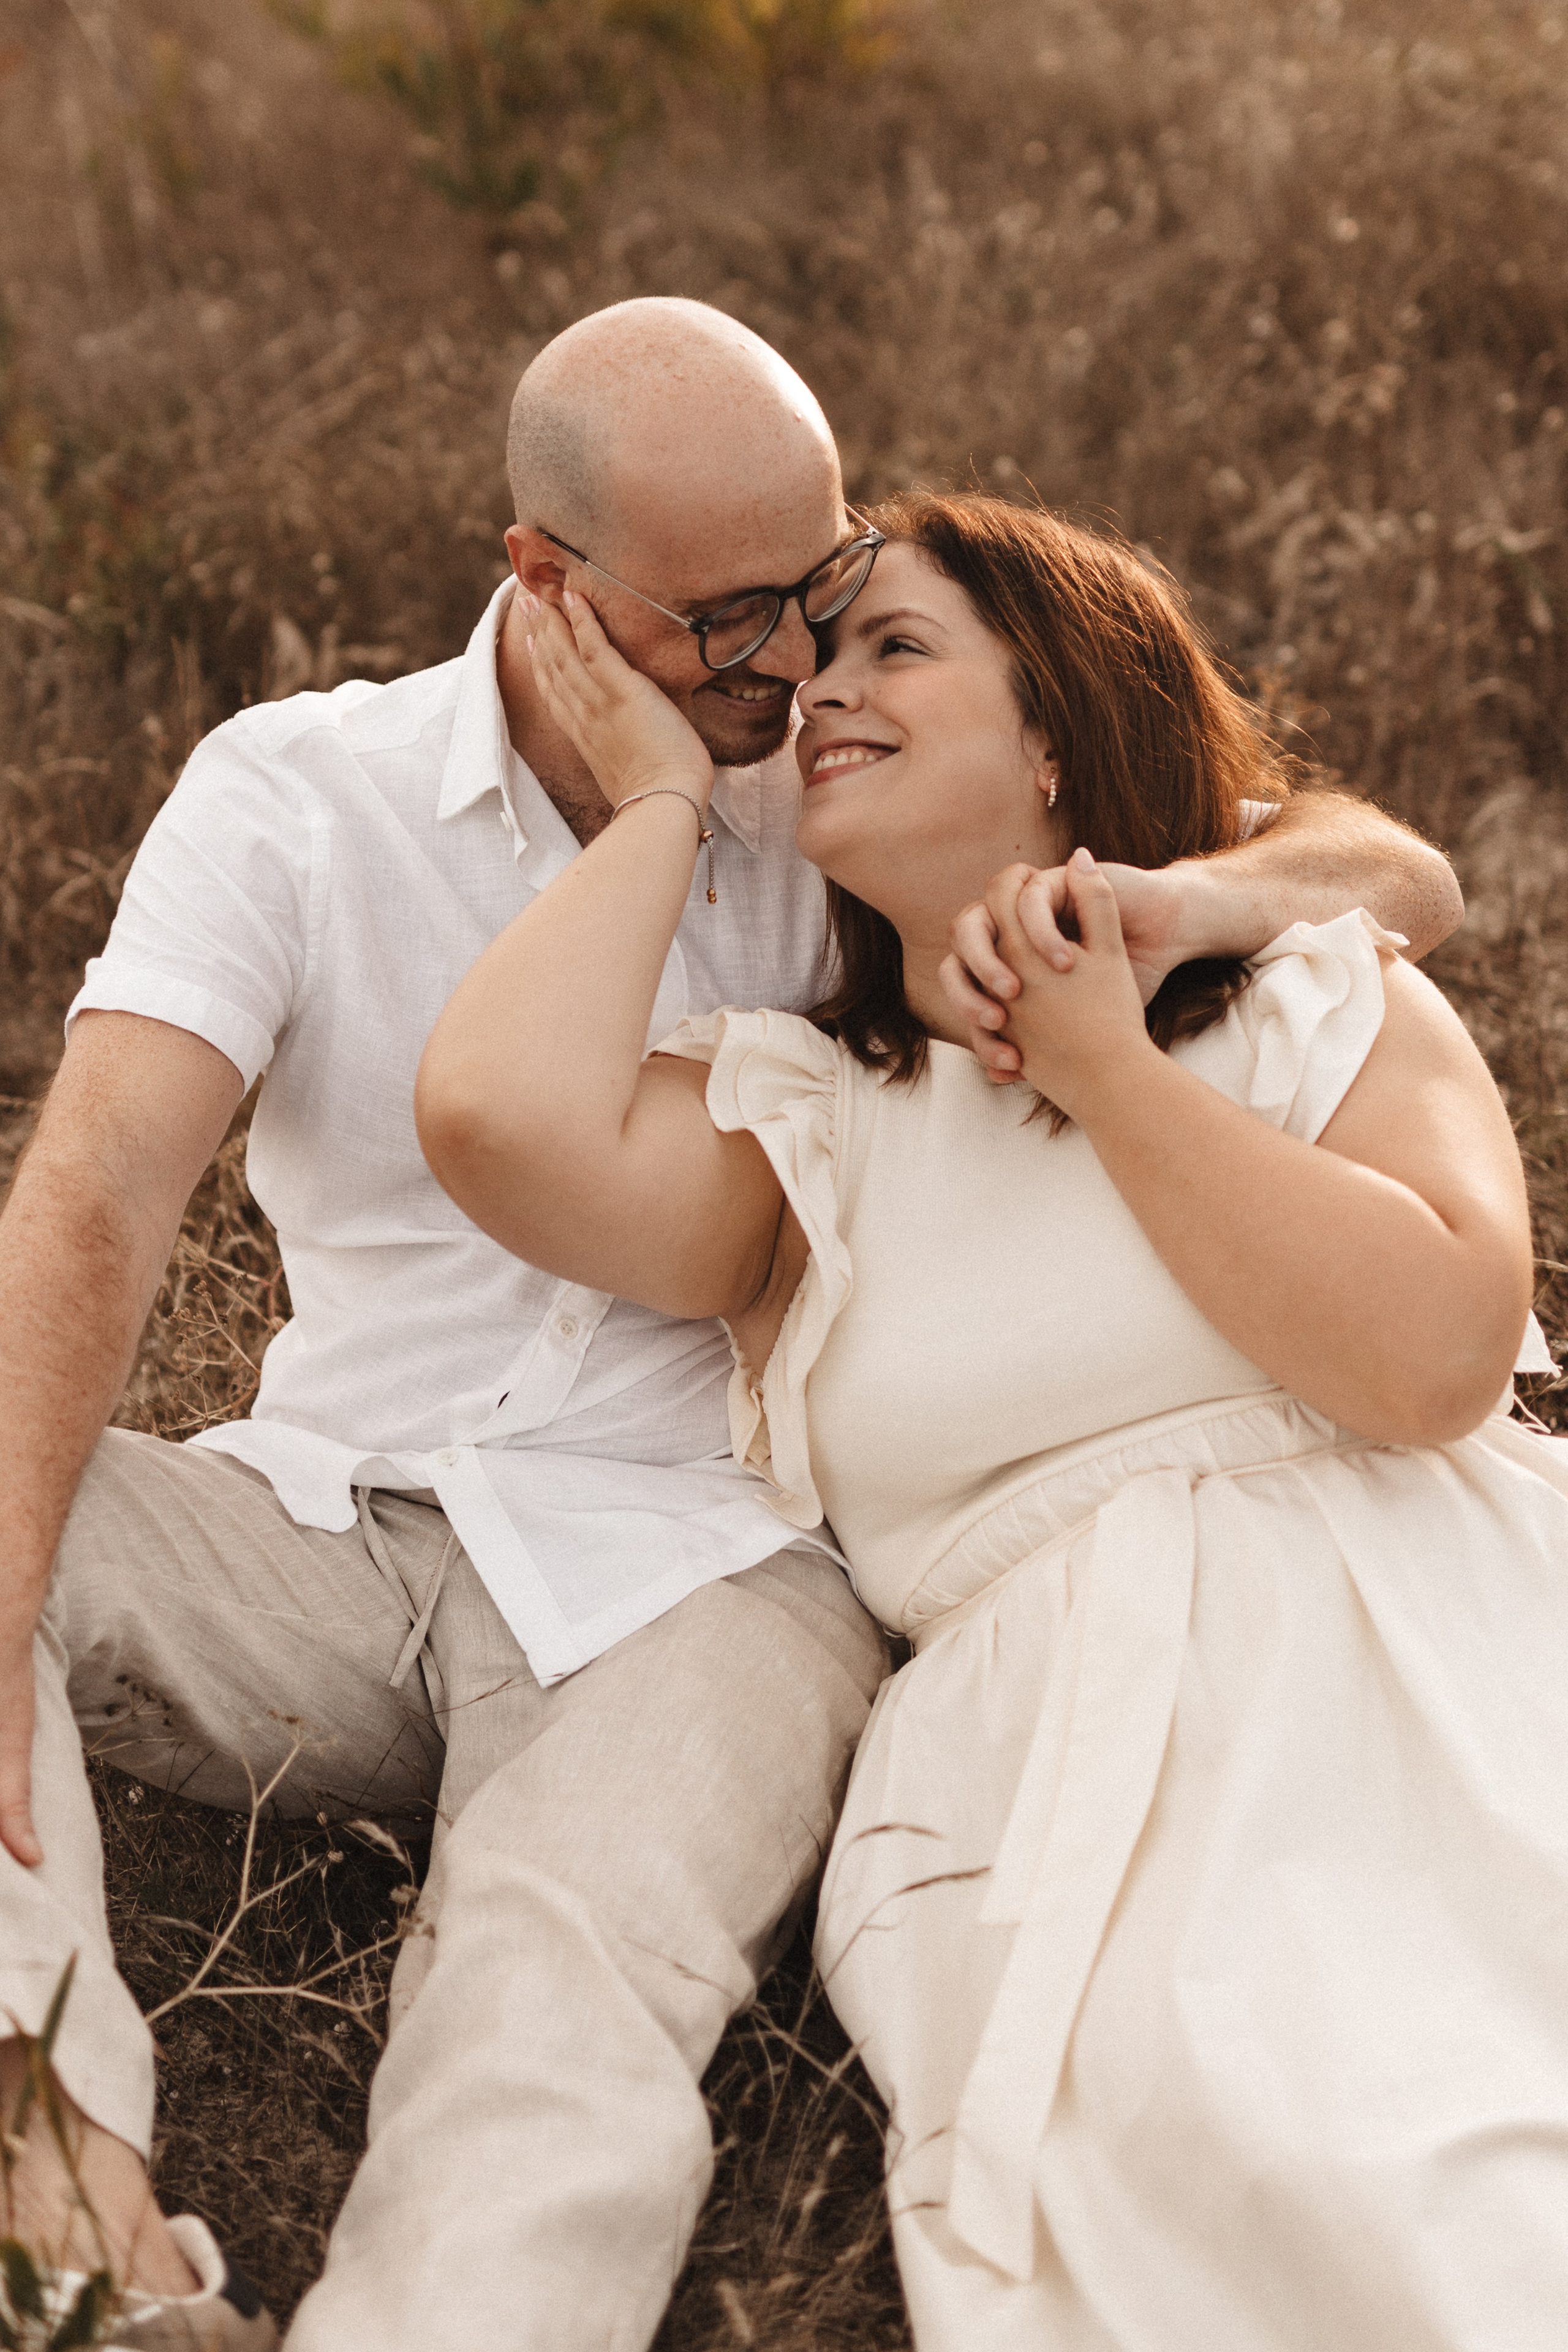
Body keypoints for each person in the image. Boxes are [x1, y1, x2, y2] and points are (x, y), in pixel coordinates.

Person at [0, 292, 1460, 2352]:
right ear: (548, 581)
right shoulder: (300, 792)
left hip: (707, 1564)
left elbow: (1357, 852)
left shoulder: (847, 782)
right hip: (323, 1519)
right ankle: (72, 2240)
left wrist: (1188, 898)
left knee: (561, 1961)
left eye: (826, 586)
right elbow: (95, 1190)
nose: (791, 663)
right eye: (731, 621)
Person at [415, 488, 1568, 2352]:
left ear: (1053, 738)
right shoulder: (814, 1128)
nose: (820, 691)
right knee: (1235, 2181)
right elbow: (496, 1117)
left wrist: (1106, 1061)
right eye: (820, 661)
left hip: (1419, 1667)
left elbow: (1436, 1359)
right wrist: (662, 804)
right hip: (1051, 1775)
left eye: (896, 646)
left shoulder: (1303, 1002)